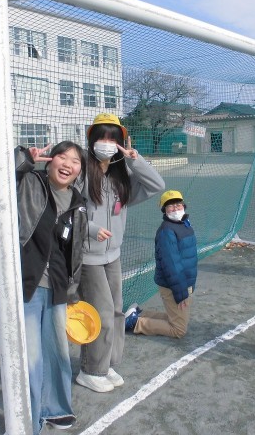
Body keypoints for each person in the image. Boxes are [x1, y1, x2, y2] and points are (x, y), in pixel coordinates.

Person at [0, 141, 88, 434]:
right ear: (50, 160)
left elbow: (73, 251)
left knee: (57, 352)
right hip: (24, 284)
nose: (67, 164)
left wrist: (72, 290)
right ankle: (29, 419)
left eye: (75, 161)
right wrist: (22, 159)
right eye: (62, 156)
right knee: (30, 356)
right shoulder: (29, 182)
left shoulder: (78, 203)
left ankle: (56, 409)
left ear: (79, 171)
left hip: (57, 287)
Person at [76, 113, 165, 393]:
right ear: (91, 140)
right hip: (86, 257)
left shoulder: (121, 178)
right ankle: (90, 370)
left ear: (121, 143)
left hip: (112, 255)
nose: (106, 143)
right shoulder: (82, 172)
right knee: (100, 313)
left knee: (115, 311)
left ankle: (107, 364)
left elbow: (157, 186)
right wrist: (91, 229)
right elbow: (65, 210)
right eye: (101, 137)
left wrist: (134, 160)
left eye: (112, 138)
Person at [124, 190, 198, 338]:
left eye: (178, 204)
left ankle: (139, 313)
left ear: (183, 206)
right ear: (164, 210)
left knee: (177, 319)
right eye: (170, 206)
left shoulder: (184, 225)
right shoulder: (167, 231)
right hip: (174, 285)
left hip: (184, 283)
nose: (175, 208)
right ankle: (135, 322)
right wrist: (180, 292)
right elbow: (172, 265)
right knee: (178, 330)